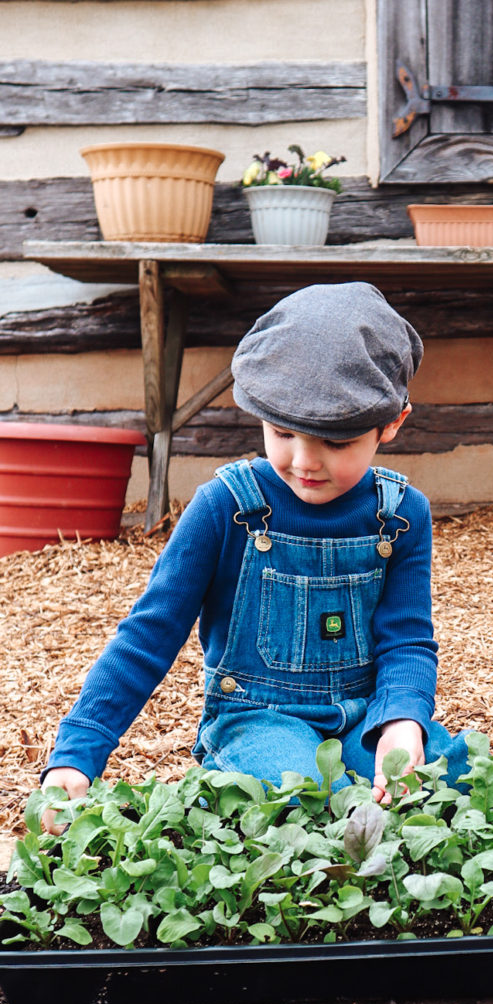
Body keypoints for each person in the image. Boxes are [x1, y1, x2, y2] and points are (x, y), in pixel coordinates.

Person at [41, 282, 469, 830]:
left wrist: (402, 722)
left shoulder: (402, 514)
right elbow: (149, 634)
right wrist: (78, 753)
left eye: (336, 442)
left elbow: (407, 638)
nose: (304, 461)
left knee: (452, 777)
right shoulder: (225, 507)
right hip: (257, 721)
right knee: (307, 797)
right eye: (283, 432)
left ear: (392, 424)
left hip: (363, 720)